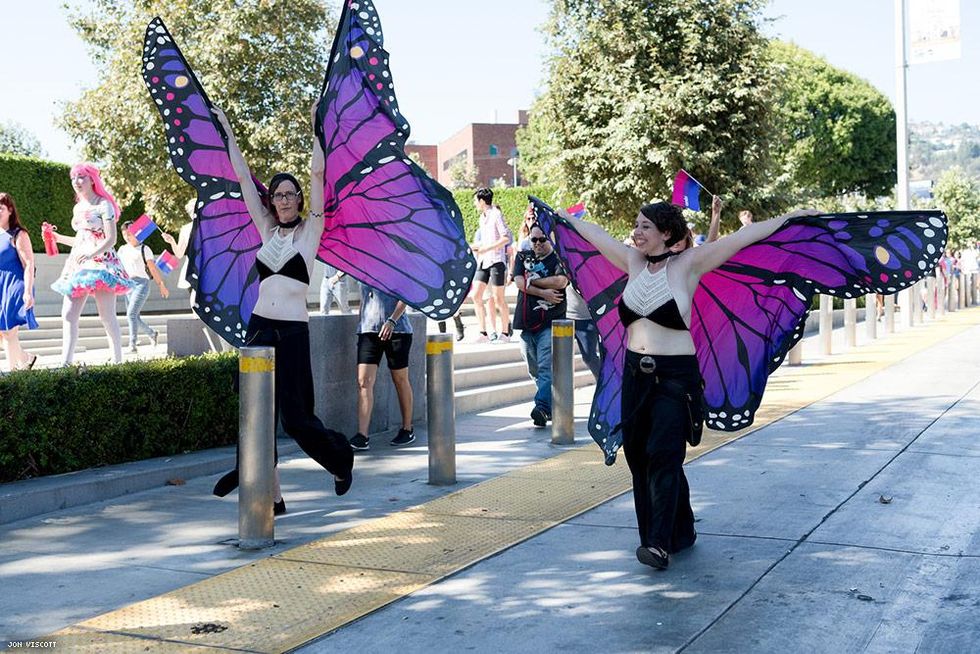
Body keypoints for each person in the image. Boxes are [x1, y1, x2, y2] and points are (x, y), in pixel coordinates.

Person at [562, 200, 813, 571]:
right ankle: (680, 529)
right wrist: (562, 217)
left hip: (675, 378)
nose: (637, 232)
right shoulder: (632, 262)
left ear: (666, 233)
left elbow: (744, 238)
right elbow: (595, 234)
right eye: (636, 225)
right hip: (635, 375)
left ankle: (658, 544)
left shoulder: (689, 265)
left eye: (645, 226)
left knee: (664, 455)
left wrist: (790, 218)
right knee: (639, 457)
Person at [210, 104, 354, 510]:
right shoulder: (266, 229)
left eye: (291, 194)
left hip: (292, 330)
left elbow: (318, 174)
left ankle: (340, 459)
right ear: (272, 201)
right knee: (253, 409)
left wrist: (317, 128)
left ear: (299, 199)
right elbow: (241, 177)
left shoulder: (311, 231)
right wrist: (227, 132)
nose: (285, 199)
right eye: (278, 194)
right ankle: (269, 493)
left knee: (295, 418)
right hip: (258, 327)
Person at [50, 163, 134, 365]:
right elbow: (81, 238)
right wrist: (58, 238)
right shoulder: (78, 207)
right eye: (73, 178)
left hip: (102, 263)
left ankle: (118, 360)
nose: (76, 182)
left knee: (106, 315)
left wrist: (91, 254)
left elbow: (111, 239)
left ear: (92, 180)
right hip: (79, 264)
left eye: (81, 177)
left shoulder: (104, 204)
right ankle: (66, 362)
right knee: (68, 314)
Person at [513, 223, 568, 427]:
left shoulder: (560, 258)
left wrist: (532, 282)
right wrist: (543, 292)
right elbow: (519, 283)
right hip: (525, 322)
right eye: (533, 239)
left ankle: (542, 407)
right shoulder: (522, 256)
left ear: (551, 239)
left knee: (545, 368)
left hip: (550, 322)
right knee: (533, 369)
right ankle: (550, 404)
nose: (537, 243)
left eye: (541, 240)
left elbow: (561, 282)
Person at [351, 283, 415, 450]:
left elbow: (406, 296)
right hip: (368, 332)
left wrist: (392, 320)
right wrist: (361, 324)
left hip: (397, 330)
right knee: (363, 381)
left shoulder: (395, 265)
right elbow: (364, 300)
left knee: (400, 380)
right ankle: (362, 435)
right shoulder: (363, 270)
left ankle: (407, 429)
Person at [118, 221, 170, 353]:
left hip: (142, 284)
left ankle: (132, 345)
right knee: (135, 316)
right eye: (124, 234)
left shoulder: (145, 249)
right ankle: (152, 334)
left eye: (129, 234)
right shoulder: (122, 249)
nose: (127, 237)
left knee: (131, 314)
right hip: (127, 284)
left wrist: (161, 285)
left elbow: (152, 269)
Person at [0, 193, 38, 371]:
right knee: (4, 332)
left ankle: (11, 373)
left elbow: (29, 263)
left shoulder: (19, 234)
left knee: (8, 331)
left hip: (16, 284)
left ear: (10, 210)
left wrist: (28, 291)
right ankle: (25, 360)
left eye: (0, 208)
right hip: (1, 286)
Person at [470, 188, 511, 342]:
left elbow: (505, 238)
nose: (475, 204)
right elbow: (486, 240)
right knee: (476, 295)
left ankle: (505, 333)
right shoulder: (482, 217)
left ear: (482, 201)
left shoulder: (496, 214)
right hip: (483, 261)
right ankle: (483, 333)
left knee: (498, 298)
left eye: (476, 201)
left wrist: (487, 248)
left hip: (496, 261)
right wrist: (474, 246)